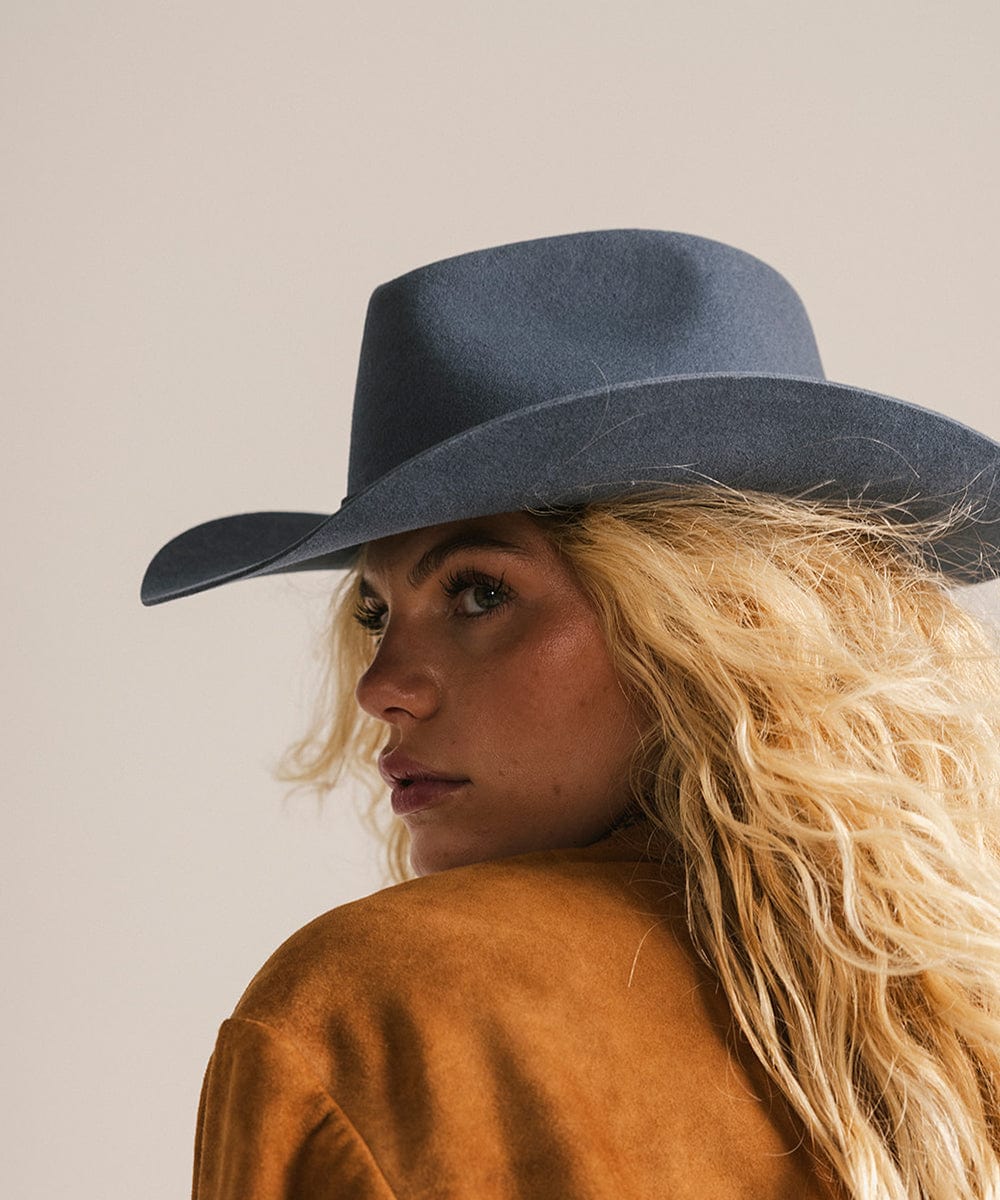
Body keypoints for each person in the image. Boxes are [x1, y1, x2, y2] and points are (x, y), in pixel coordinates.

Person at [142, 230, 1000, 1199]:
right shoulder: (959, 1016)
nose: (382, 686)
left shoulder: (392, 1003)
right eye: (375, 613)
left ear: (722, 619)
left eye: (477, 593)